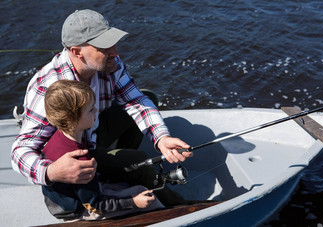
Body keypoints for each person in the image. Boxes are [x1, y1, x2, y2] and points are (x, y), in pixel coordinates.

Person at [11, 9, 191, 207]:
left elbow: (135, 101)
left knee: (148, 98)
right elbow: (20, 151)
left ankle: (115, 171)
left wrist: (161, 138)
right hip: (75, 149)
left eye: (113, 42)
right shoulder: (49, 88)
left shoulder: (109, 63)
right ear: (76, 52)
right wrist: (51, 172)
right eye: (104, 47)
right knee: (140, 163)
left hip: (92, 128)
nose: (115, 52)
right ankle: (178, 206)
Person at [42, 80, 164, 221]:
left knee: (123, 185)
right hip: (81, 211)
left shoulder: (56, 137)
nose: (96, 111)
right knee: (142, 193)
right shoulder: (80, 162)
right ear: (71, 119)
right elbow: (96, 205)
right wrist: (133, 202)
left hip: (62, 203)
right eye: (90, 110)